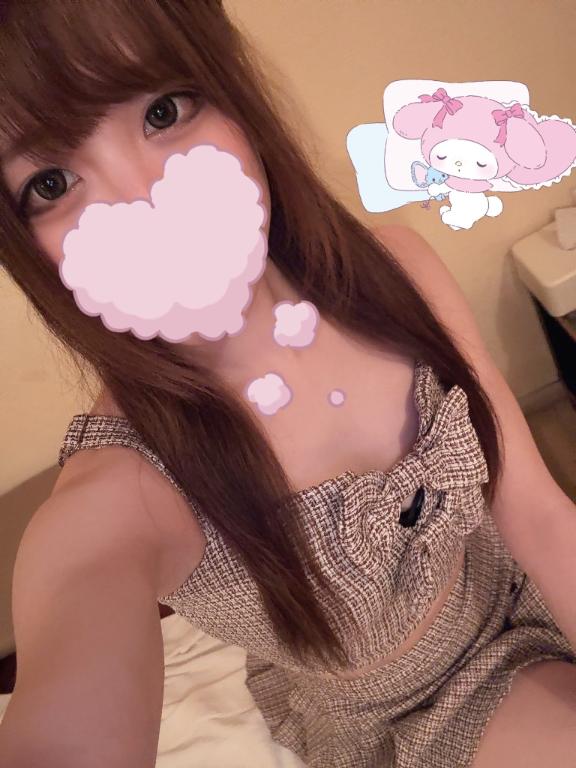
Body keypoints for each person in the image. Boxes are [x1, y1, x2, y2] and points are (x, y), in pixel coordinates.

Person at [0, 2, 575, 767]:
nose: (145, 197)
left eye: (163, 111)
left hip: (525, 586)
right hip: (420, 712)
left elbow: (538, 514)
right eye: (51, 182)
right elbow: (73, 637)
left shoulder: (394, 267)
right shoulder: (126, 489)